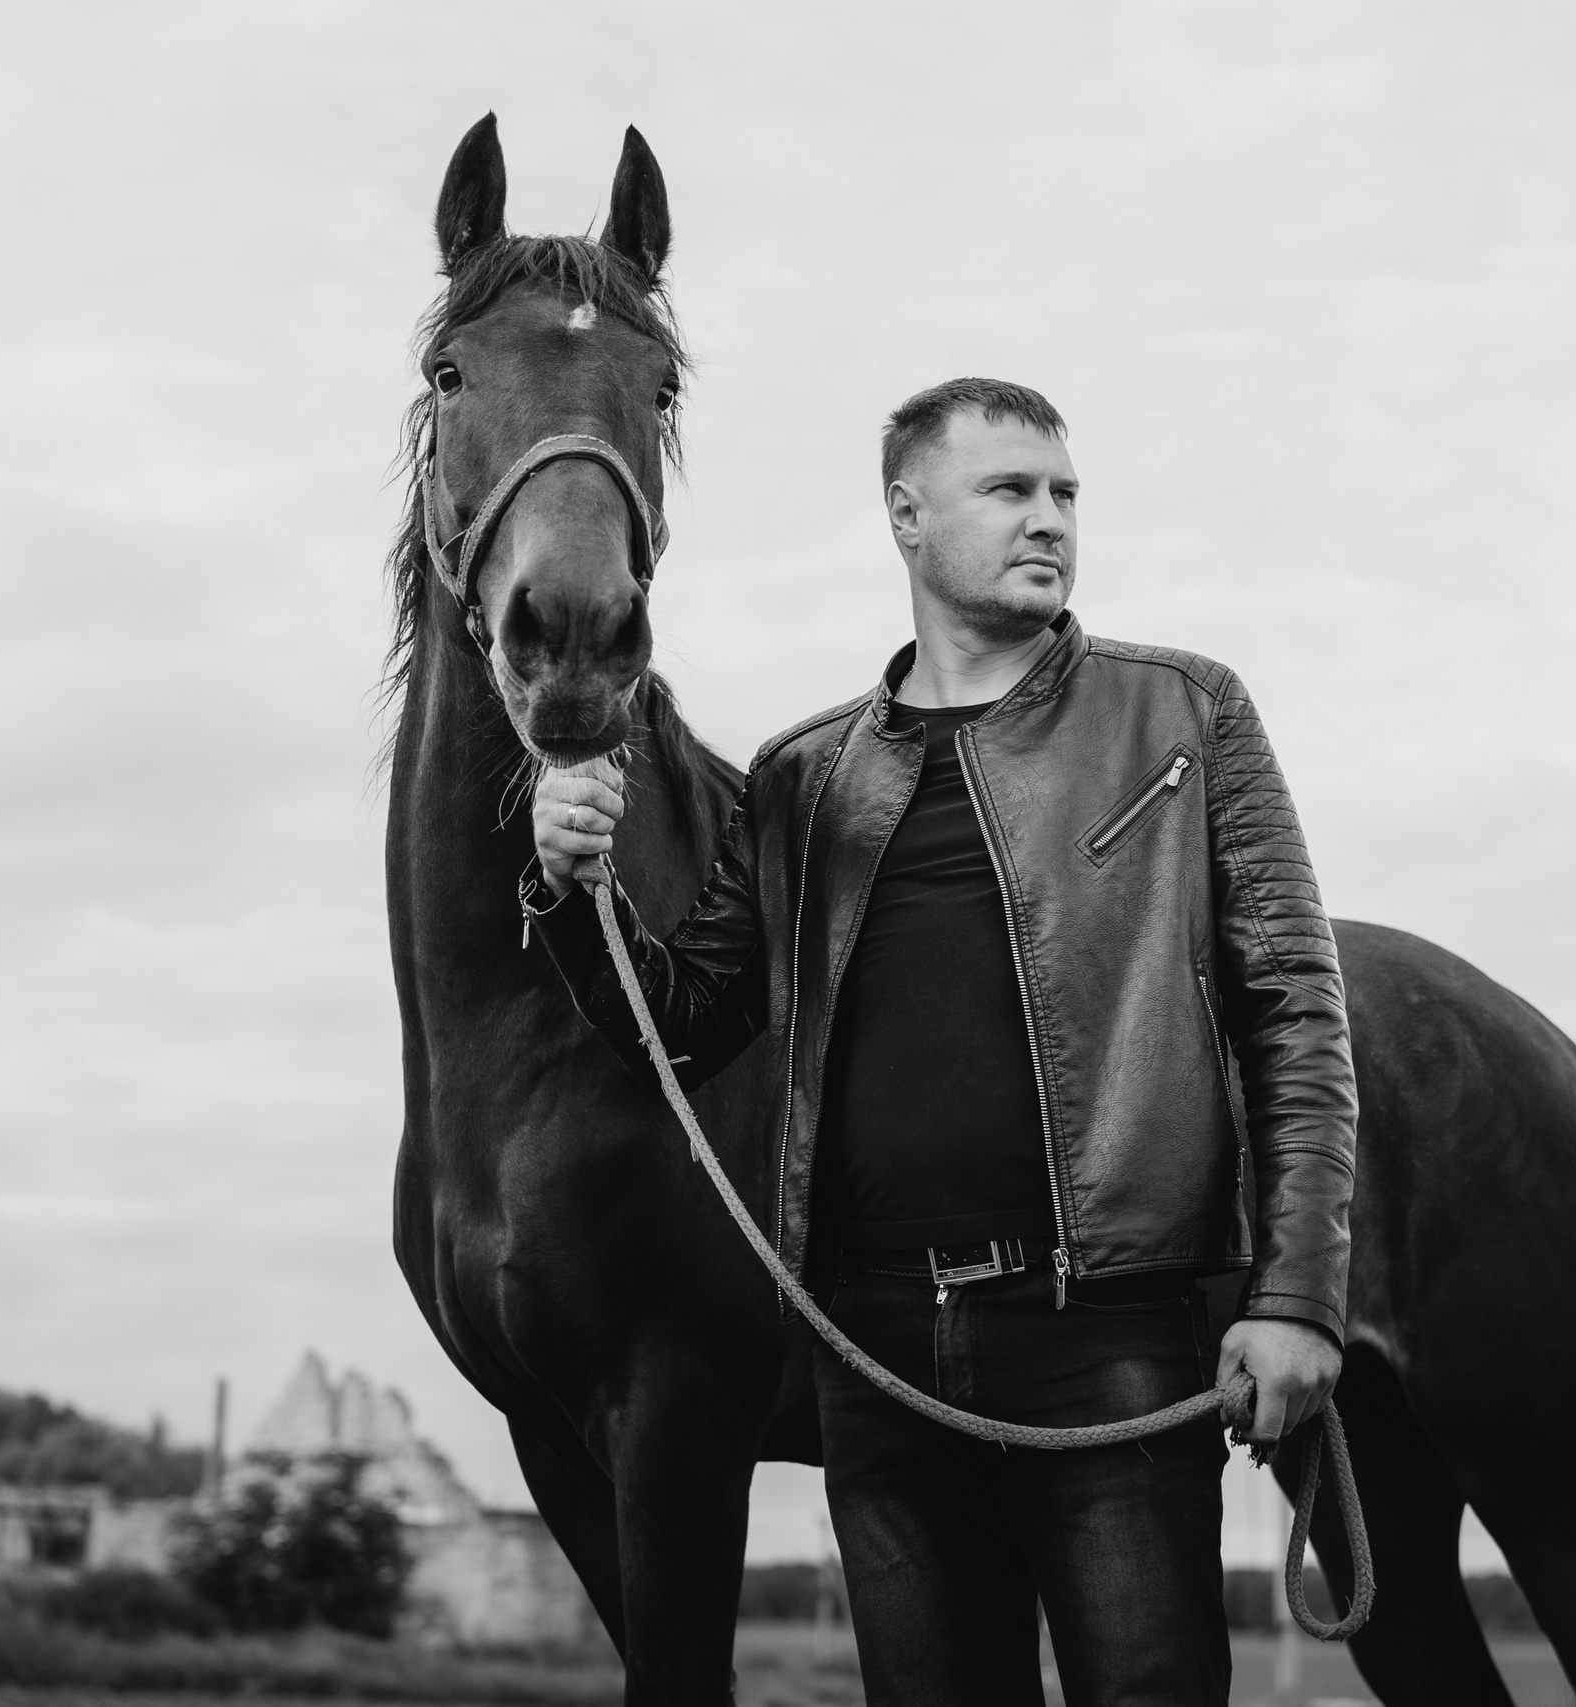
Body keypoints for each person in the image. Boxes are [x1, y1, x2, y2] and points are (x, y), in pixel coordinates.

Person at [519, 377, 1354, 1705]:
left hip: (1109, 1331)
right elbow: (680, 1027)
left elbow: (1294, 1013)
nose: (1051, 521)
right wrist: (575, 892)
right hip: (880, 1352)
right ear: (909, 517)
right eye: (1010, 491)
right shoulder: (807, 777)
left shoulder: (1184, 714)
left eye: (1065, 494)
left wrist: (1298, 1295)